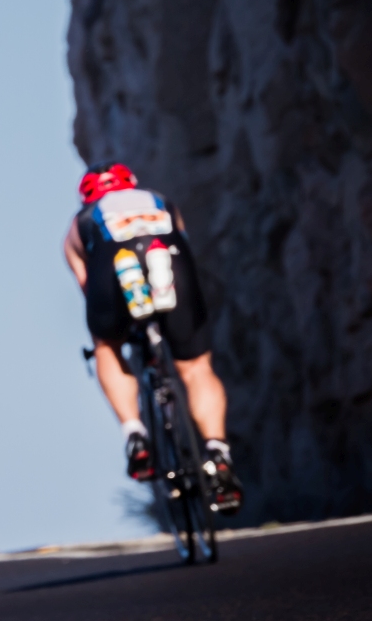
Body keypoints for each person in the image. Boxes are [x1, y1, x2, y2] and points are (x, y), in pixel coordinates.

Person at [62, 162, 243, 513]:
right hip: (169, 254)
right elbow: (186, 245)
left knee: (106, 346)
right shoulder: (159, 200)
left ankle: (135, 434)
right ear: (131, 184)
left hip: (109, 263)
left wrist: (116, 328)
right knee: (195, 367)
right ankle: (218, 453)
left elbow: (87, 289)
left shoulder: (80, 222)